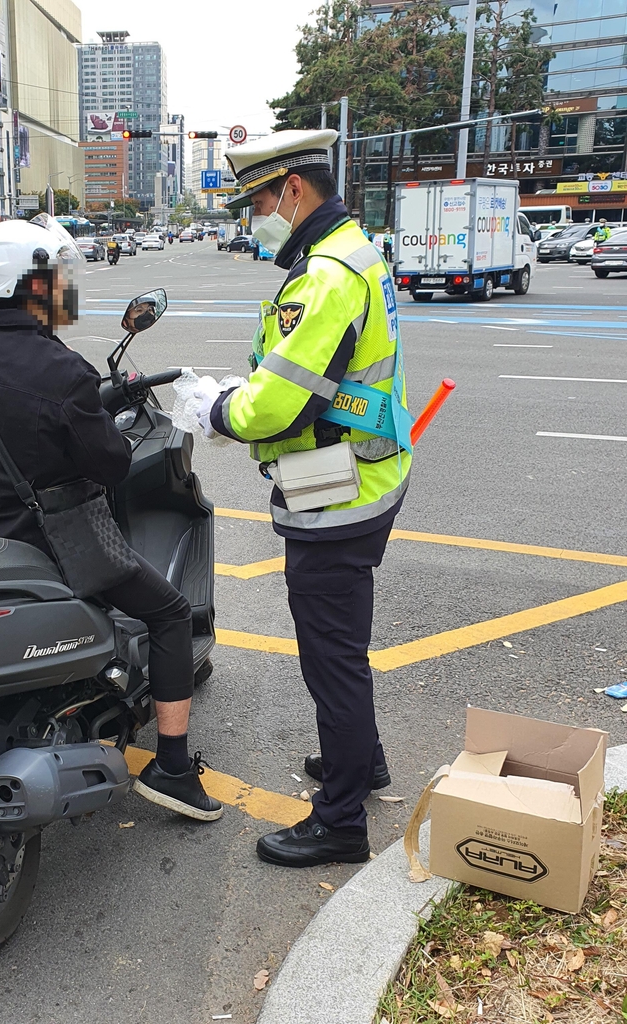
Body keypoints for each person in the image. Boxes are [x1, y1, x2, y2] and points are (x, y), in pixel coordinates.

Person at [0, 215, 222, 822]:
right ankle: (171, 768)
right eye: (61, 277)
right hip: (51, 547)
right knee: (168, 612)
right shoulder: (62, 370)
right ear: (33, 284)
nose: (69, 288)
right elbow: (111, 464)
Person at [195, 128, 413, 868]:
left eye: (258, 199)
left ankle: (341, 820)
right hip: (368, 473)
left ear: (292, 190)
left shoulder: (325, 274)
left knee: (332, 657)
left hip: (337, 493)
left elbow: (275, 407)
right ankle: (365, 762)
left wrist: (214, 408)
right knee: (343, 648)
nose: (254, 216)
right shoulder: (355, 251)